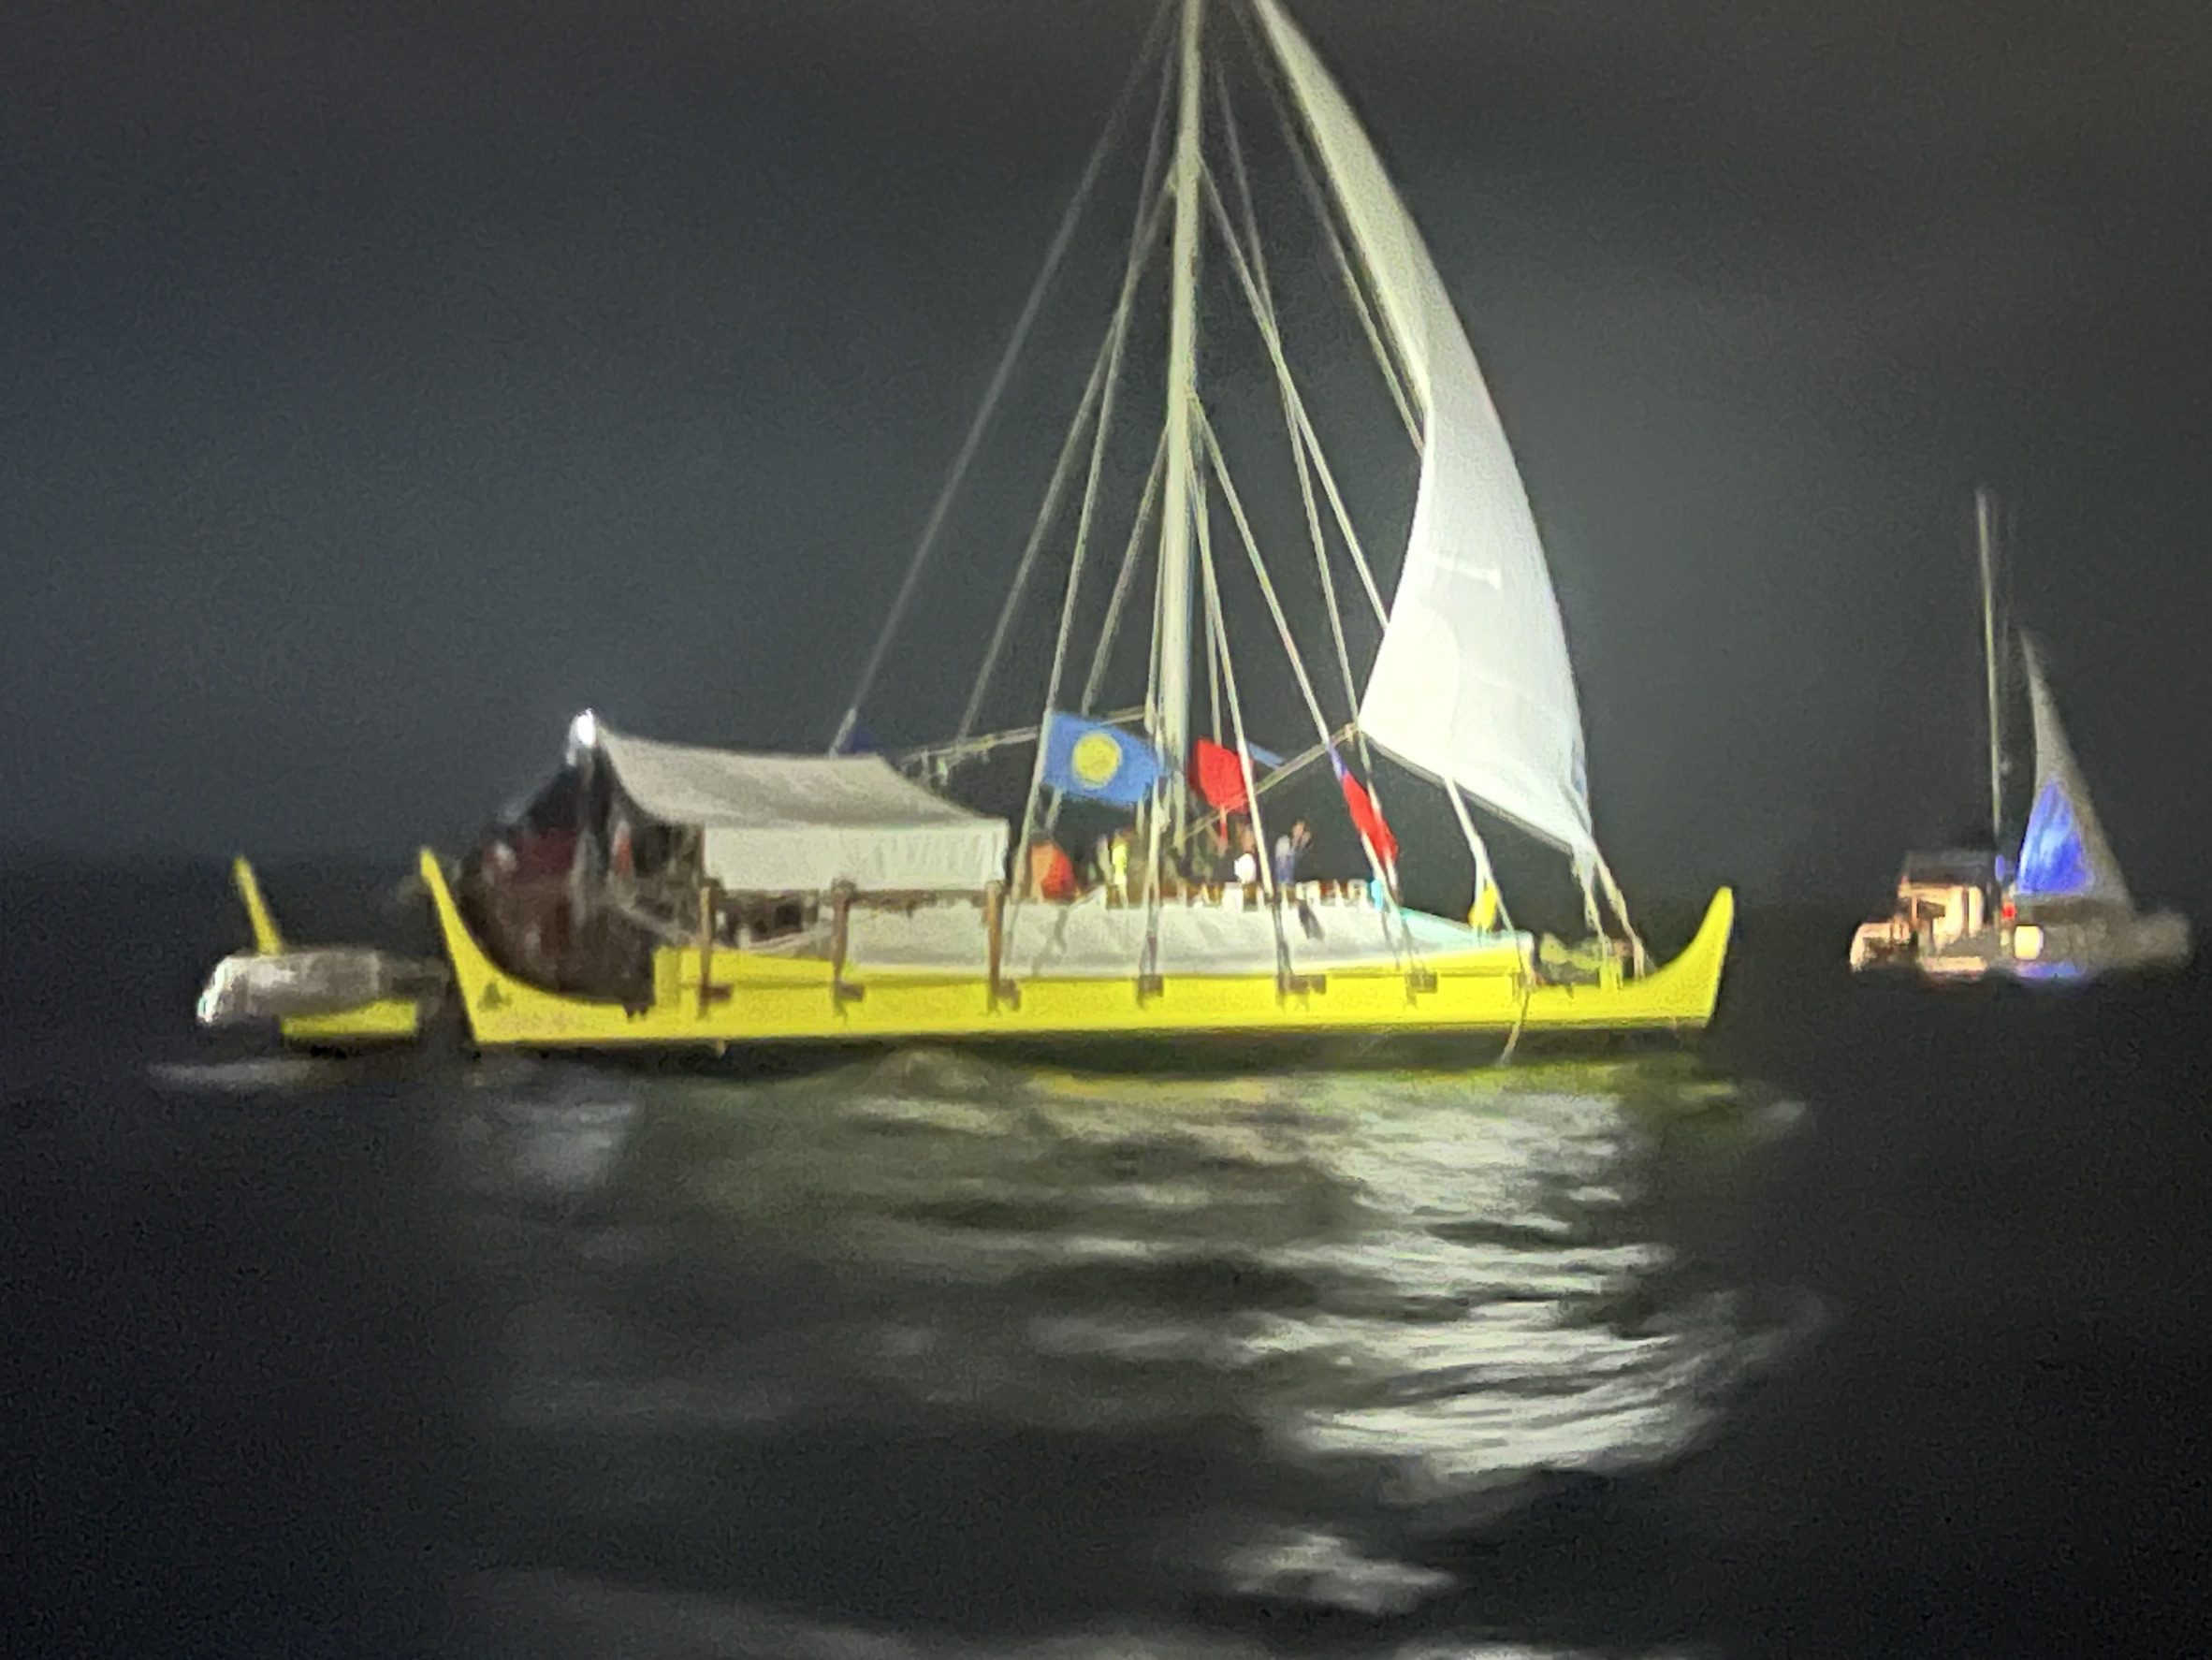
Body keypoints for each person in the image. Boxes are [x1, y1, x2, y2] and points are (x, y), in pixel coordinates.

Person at [1272, 821, 1312, 891]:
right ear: (1293, 829)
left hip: (1292, 885)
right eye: (1298, 829)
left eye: (1301, 830)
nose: (1299, 832)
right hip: (1283, 885)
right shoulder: (1284, 842)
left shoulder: (1297, 848)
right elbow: (1282, 867)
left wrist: (1302, 844)